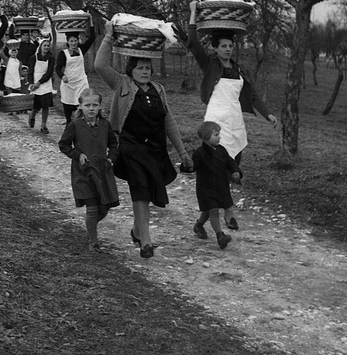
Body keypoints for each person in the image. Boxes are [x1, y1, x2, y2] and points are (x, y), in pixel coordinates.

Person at [95, 21, 191, 259]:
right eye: (139, 67)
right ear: (131, 70)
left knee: (148, 192)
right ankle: (146, 242)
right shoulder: (121, 84)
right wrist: (108, 37)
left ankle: (138, 231)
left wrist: (183, 153)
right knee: (140, 189)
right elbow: (99, 65)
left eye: (147, 67)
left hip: (155, 149)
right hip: (129, 147)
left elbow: (169, 122)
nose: (145, 71)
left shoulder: (158, 90)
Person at [187, 0, 277, 231]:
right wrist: (193, 13)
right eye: (223, 46)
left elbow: (253, 95)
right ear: (215, 48)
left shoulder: (238, 70)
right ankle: (228, 213)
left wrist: (267, 114)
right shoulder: (210, 65)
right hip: (216, 121)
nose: (227, 49)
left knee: (230, 169)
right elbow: (193, 43)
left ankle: (201, 223)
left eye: (230, 45)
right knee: (216, 169)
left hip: (235, 122)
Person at [58, 89, 120, 252]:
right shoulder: (75, 125)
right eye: (87, 105)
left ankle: (90, 226)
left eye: (95, 105)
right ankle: (93, 241)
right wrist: (77, 155)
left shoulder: (105, 125)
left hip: (102, 171)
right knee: (91, 207)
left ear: (100, 107)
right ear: (80, 107)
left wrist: (110, 158)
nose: (91, 108)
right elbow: (64, 144)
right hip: (83, 171)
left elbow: (114, 145)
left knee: (105, 206)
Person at [191, 121, 242, 250]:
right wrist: (186, 166)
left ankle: (199, 225)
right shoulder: (199, 153)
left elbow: (230, 162)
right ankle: (220, 236)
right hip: (205, 188)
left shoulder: (222, 150)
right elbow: (192, 167)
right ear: (206, 137)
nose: (219, 137)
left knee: (209, 210)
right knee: (213, 211)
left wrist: (236, 172)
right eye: (216, 135)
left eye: (219, 134)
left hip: (221, 186)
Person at [55, 25, 96, 124]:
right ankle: (69, 126)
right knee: (68, 108)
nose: (73, 43)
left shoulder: (82, 49)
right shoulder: (63, 53)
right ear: (68, 42)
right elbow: (58, 67)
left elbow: (92, 38)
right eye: (71, 41)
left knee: (82, 103)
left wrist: (90, 24)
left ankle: (83, 125)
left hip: (81, 81)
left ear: (78, 41)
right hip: (68, 83)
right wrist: (62, 76)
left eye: (75, 41)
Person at [27, 38, 55, 134]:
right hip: (35, 82)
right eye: (44, 45)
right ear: (40, 47)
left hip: (45, 83)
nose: (46, 47)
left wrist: (39, 83)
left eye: (48, 45)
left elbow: (49, 73)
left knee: (45, 105)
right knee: (36, 104)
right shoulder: (34, 58)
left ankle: (43, 125)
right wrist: (31, 83)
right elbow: (30, 71)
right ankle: (32, 116)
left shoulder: (51, 58)